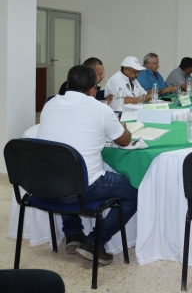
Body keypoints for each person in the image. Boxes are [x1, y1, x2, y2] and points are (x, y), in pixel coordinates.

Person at [37, 65, 138, 265]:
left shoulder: (50, 104)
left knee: (66, 171)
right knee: (134, 191)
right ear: (93, 89)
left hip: (44, 183)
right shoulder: (100, 109)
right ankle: (94, 242)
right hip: (81, 187)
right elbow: (124, 140)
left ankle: (73, 234)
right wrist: (122, 127)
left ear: (67, 85)